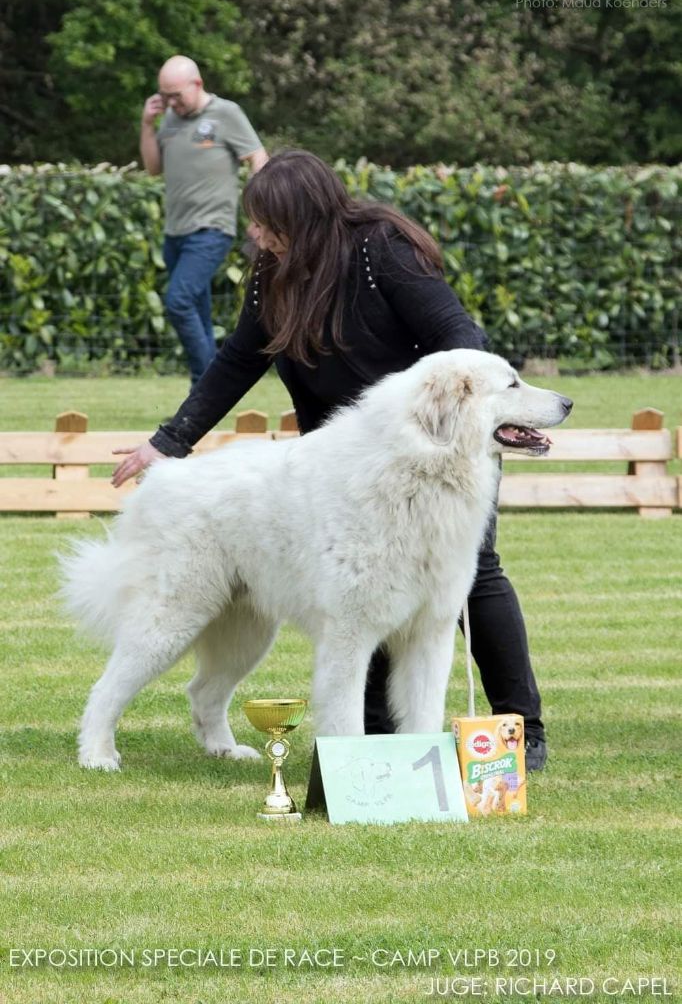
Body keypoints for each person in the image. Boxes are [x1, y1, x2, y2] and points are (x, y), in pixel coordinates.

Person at [113, 149, 548, 771]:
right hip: (339, 468)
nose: (257, 235)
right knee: (362, 594)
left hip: (434, 445)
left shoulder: (382, 249)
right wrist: (169, 441)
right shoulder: (272, 272)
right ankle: (368, 742)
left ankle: (520, 731)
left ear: (304, 214)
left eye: (267, 222)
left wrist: (434, 415)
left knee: (476, 576)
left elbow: (462, 339)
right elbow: (240, 359)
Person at [140, 55, 268, 385]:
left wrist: (262, 211)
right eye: (164, 95)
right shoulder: (169, 117)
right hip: (175, 233)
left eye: (176, 95)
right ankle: (209, 398)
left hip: (211, 229)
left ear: (196, 84)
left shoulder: (226, 113)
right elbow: (154, 168)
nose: (171, 102)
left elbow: (257, 156)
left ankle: (205, 385)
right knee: (196, 311)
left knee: (179, 301)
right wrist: (147, 125)